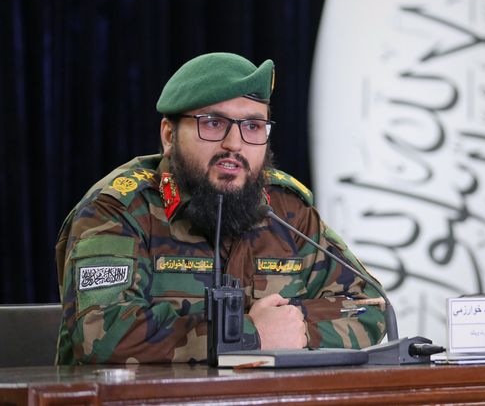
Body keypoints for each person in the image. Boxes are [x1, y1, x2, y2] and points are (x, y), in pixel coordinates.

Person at [55, 53, 386, 364]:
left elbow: (369, 307)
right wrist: (249, 336)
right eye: (213, 123)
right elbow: (102, 334)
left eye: (253, 126)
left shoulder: (286, 211)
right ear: (169, 135)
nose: (235, 143)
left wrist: (294, 327)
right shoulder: (119, 210)